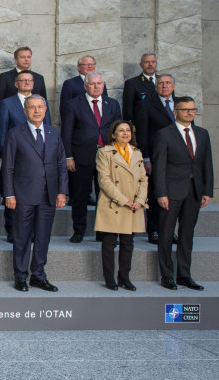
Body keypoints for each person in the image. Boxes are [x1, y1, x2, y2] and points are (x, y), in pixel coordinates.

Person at [2, 95, 68, 293]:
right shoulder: (15, 134)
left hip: (48, 195)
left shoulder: (54, 133)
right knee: (22, 238)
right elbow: (8, 167)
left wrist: (62, 192)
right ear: (25, 111)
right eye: (32, 108)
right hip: (22, 195)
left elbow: (61, 165)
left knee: (42, 237)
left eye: (40, 107)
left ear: (46, 110)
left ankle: (38, 275)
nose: (37, 111)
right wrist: (9, 194)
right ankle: (21, 276)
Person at [154, 96, 212, 291]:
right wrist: (161, 192)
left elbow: (207, 165)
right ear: (176, 112)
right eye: (185, 109)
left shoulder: (202, 134)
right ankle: (167, 276)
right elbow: (159, 166)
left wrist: (207, 191)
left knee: (187, 234)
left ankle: (184, 275)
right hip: (171, 192)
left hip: (194, 192)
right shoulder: (164, 134)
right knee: (166, 235)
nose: (190, 112)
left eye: (193, 109)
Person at [61, 72, 121, 242]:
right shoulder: (73, 104)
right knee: (80, 196)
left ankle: (104, 232)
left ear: (103, 85)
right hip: (81, 157)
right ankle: (79, 230)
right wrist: (68, 156)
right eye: (92, 84)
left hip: (108, 157)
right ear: (85, 86)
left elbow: (119, 131)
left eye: (99, 83)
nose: (96, 87)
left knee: (106, 195)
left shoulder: (113, 104)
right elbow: (67, 132)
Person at [0, 70, 51, 242]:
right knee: (12, 192)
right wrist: (5, 155)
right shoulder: (7, 103)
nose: (27, 83)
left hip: (38, 159)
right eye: (23, 80)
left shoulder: (41, 103)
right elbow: (2, 132)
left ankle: (33, 232)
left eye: (30, 80)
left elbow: (47, 129)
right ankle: (12, 231)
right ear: (16, 84)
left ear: (34, 83)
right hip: (15, 157)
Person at [94, 120, 147, 291]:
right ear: (114, 134)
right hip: (114, 202)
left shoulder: (137, 153)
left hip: (133, 204)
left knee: (128, 242)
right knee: (109, 242)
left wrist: (140, 200)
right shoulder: (105, 152)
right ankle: (109, 278)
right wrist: (124, 200)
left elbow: (143, 179)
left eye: (128, 131)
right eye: (121, 130)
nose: (125, 133)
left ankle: (124, 277)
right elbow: (104, 180)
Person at [135, 73, 177, 244]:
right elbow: (142, 134)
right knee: (154, 193)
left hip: (177, 159)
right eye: (160, 83)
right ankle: (153, 230)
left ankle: (169, 231)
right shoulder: (146, 105)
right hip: (155, 156)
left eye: (168, 83)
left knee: (173, 195)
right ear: (156, 86)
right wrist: (145, 158)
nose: (164, 86)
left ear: (173, 86)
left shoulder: (181, 105)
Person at [0, 46, 47, 127]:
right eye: (23, 57)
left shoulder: (39, 78)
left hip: (35, 124)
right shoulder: (5, 77)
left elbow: (44, 101)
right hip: (12, 124)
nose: (26, 59)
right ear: (15, 60)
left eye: (28, 57)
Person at [58, 55, 97, 120]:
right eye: (86, 64)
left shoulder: (100, 83)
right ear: (78, 68)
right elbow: (65, 109)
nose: (90, 66)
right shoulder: (70, 84)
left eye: (92, 64)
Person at [122, 52, 157, 121]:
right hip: (144, 126)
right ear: (141, 65)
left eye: (153, 62)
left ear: (156, 63)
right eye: (146, 62)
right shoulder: (132, 83)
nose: (150, 64)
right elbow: (128, 110)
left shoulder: (165, 82)